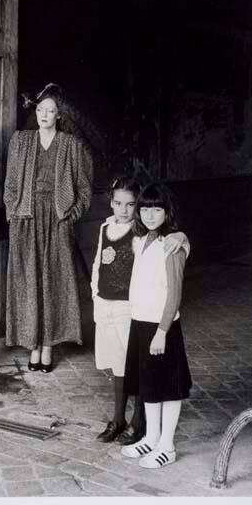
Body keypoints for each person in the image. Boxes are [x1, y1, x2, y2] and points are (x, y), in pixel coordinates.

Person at [91, 177, 189, 445]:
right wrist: (95, 296)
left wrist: (181, 236)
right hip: (113, 307)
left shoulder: (148, 235)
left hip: (136, 312)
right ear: (111, 203)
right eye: (118, 203)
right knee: (121, 365)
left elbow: (176, 245)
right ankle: (122, 420)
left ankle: (142, 425)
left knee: (142, 370)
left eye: (131, 204)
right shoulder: (109, 228)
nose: (124, 210)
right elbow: (98, 265)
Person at [3, 83, 93, 372]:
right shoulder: (21, 141)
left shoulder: (70, 145)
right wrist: (12, 214)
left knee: (54, 283)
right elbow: (11, 184)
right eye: (40, 109)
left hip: (56, 220)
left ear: (59, 115)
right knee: (29, 282)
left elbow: (84, 188)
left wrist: (71, 215)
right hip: (26, 219)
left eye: (50, 110)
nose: (44, 114)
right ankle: (32, 344)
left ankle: (49, 346)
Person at [121, 182, 192, 468]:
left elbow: (174, 293)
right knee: (148, 384)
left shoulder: (172, 244)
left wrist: (162, 331)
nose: (150, 215)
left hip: (162, 327)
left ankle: (167, 445)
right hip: (140, 322)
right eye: (145, 209)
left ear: (167, 211)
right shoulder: (141, 240)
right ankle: (150, 438)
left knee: (169, 386)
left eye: (157, 209)